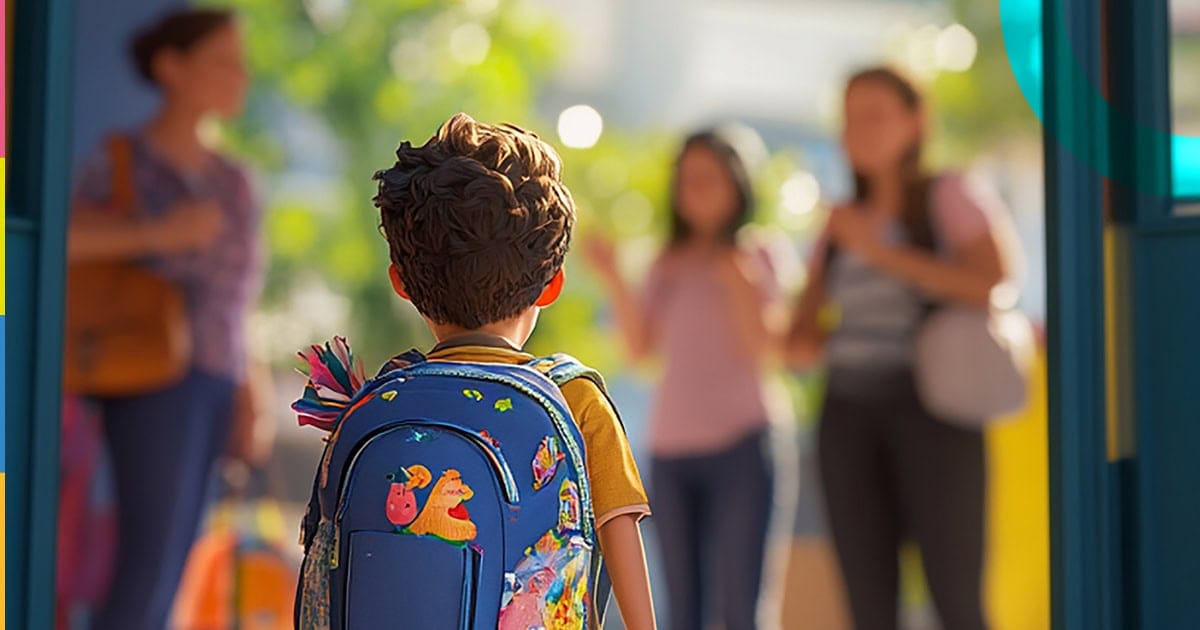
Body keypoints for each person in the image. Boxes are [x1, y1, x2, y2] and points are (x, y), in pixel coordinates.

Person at [365, 113, 657, 628]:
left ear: (401, 283)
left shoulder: (381, 397)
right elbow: (620, 534)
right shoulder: (574, 400)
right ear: (552, 285)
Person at [787, 67, 1022, 630]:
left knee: (957, 596)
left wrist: (881, 251)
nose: (858, 130)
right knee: (869, 606)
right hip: (846, 414)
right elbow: (800, 340)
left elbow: (995, 281)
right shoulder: (838, 223)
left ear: (916, 122)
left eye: (875, 115)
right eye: (849, 118)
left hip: (934, 407)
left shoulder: (949, 194)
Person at [66, 9, 266, 629]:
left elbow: (238, 302)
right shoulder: (124, 161)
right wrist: (159, 232)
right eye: (222, 62)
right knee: (146, 562)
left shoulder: (234, 181)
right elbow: (62, 241)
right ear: (170, 68)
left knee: (177, 561)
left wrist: (249, 387)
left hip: (214, 380)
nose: (240, 76)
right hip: (152, 376)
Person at [585, 128, 787, 630]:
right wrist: (613, 278)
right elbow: (639, 351)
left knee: (742, 606)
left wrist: (735, 274)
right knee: (684, 610)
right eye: (688, 178)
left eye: (710, 178)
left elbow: (766, 347)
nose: (696, 188)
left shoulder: (758, 254)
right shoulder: (666, 262)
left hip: (743, 446)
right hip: (672, 453)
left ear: (738, 185)